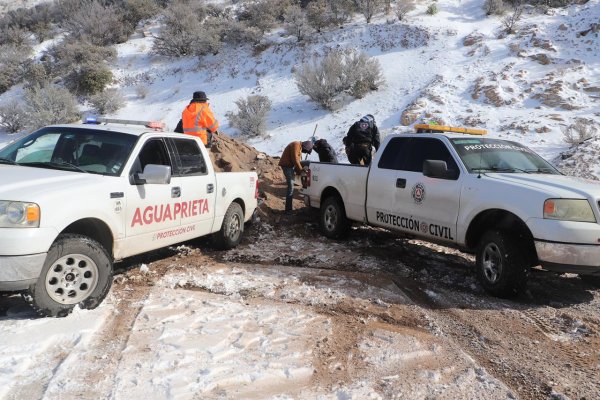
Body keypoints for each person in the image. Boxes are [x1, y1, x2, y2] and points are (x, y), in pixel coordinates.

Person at [278, 140, 313, 213]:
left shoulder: (299, 147)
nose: (304, 152)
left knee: (308, 163)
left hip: (290, 166)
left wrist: (300, 171)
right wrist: (301, 172)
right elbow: (295, 160)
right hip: (287, 166)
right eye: (305, 151)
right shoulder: (296, 145)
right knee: (291, 187)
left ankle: (305, 185)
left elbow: (297, 160)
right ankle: (288, 210)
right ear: (305, 147)